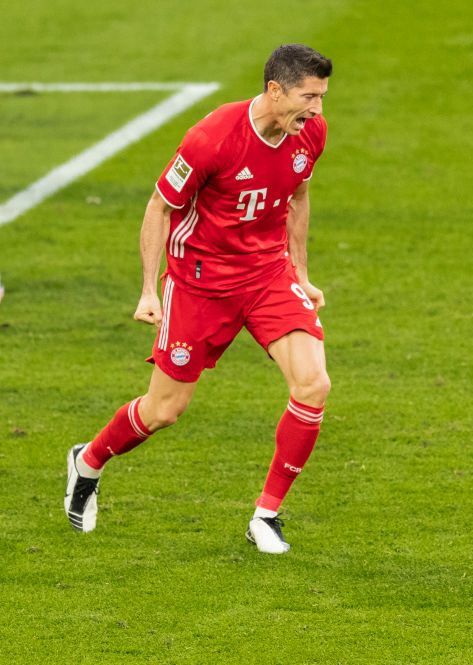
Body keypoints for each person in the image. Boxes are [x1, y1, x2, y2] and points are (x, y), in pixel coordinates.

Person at [64, 44, 334, 554]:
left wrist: (301, 272)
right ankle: (89, 461)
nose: (317, 110)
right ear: (275, 91)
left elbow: (297, 196)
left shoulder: (309, 133)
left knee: (313, 384)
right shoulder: (212, 139)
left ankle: (266, 515)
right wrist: (149, 289)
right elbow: (159, 206)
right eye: (309, 97)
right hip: (199, 284)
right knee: (164, 410)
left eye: (322, 97)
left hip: (268, 275)